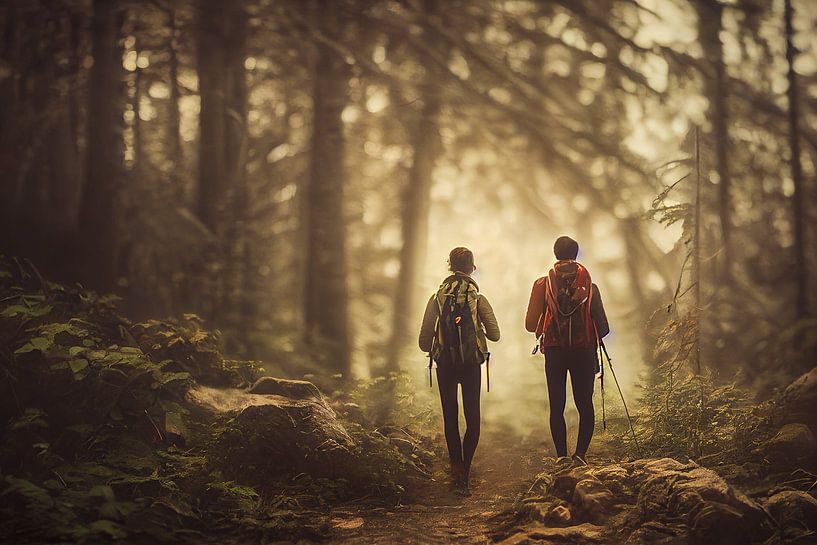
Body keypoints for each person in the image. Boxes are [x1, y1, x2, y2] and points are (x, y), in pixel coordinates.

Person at [419, 247, 500, 495]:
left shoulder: (436, 298)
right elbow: (495, 335)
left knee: (450, 418)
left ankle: (455, 473)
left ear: (449, 266)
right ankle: (465, 470)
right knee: (472, 418)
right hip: (471, 365)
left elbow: (423, 342)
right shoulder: (478, 299)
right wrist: (476, 332)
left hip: (445, 364)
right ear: (472, 268)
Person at [525, 236, 609, 466]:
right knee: (585, 404)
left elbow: (530, 325)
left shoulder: (542, 284)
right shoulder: (590, 286)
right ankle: (580, 455)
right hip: (583, 351)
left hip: (555, 351)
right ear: (576, 254)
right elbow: (604, 328)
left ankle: (562, 456)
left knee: (557, 404)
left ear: (555, 254)